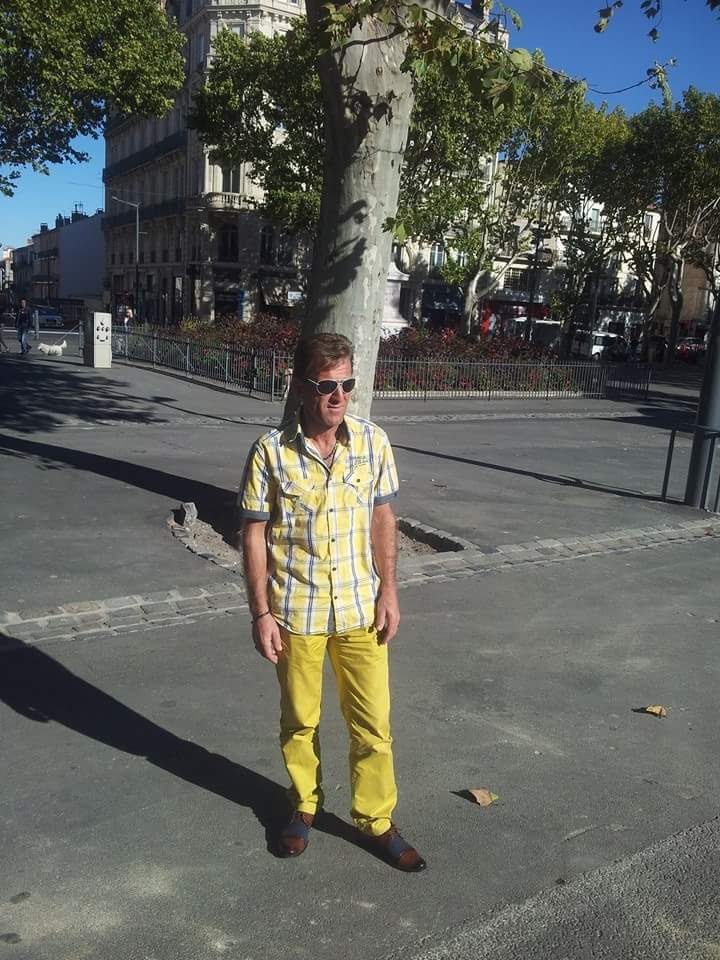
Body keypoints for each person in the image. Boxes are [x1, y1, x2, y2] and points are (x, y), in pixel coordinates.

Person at [238, 332, 425, 872]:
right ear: (300, 387)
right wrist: (260, 612)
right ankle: (304, 805)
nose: (338, 397)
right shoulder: (270, 452)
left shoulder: (373, 442)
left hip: (361, 609)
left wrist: (390, 590)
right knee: (300, 719)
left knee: (374, 724)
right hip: (296, 610)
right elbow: (254, 534)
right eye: (326, 386)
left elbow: (383, 518)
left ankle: (376, 819)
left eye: (346, 384)